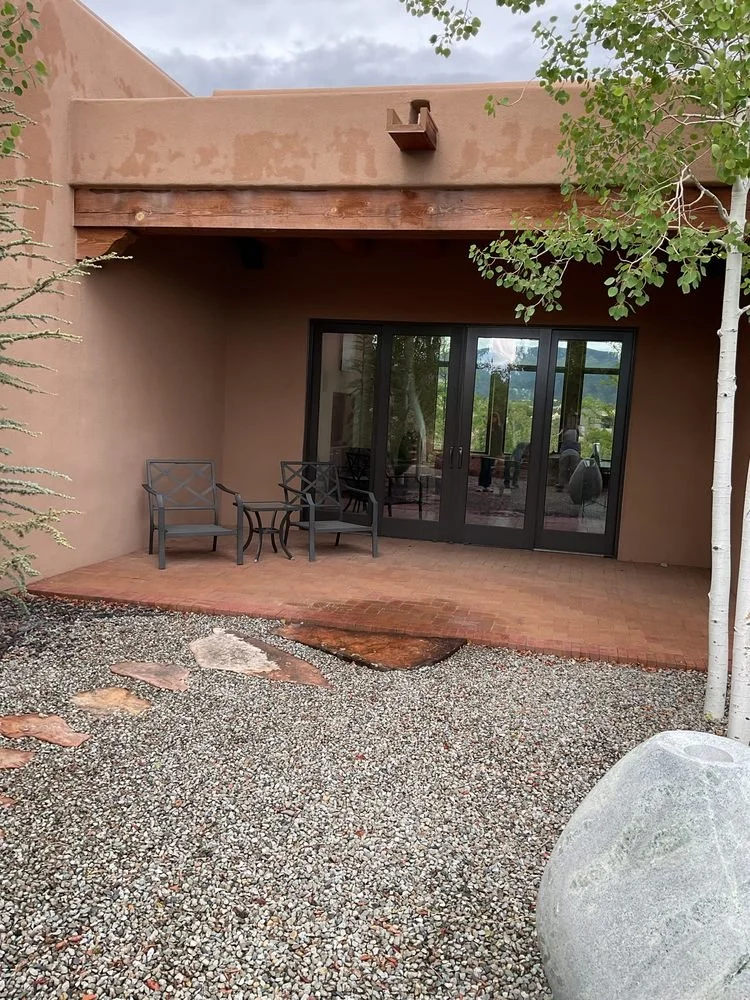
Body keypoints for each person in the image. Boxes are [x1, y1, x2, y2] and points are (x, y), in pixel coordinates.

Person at [477, 412, 503, 492]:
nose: (493, 419)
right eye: (492, 418)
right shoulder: (487, 427)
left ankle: (487, 485)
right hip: (485, 450)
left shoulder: (498, 428)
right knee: (484, 467)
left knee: (489, 468)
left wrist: (499, 452)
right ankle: (481, 485)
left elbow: (499, 441)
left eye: (494, 418)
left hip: (493, 451)